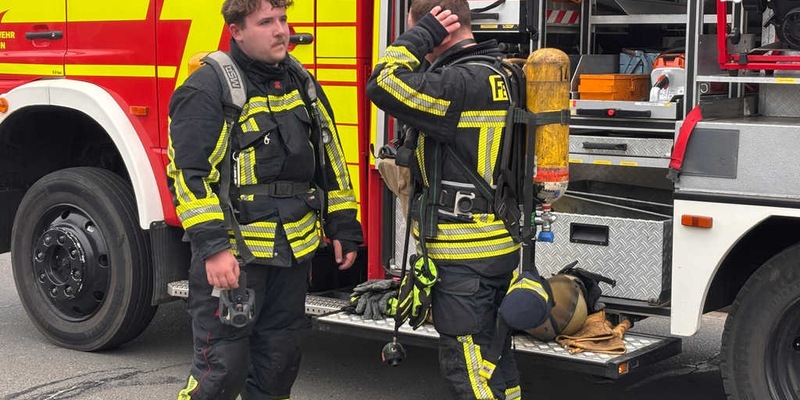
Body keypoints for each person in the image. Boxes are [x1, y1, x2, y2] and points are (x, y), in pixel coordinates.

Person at [167, 0, 363, 398]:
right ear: (236, 30)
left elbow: (331, 160)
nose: (281, 31)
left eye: (284, 19)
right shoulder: (208, 88)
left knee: (278, 367)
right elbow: (188, 175)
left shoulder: (301, 82)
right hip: (236, 260)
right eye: (266, 22)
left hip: (291, 256)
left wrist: (343, 224)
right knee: (221, 372)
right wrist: (213, 248)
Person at [367, 1, 523, 399]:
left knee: (467, 372)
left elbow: (382, 84)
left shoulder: (457, 85)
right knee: (495, 361)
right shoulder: (504, 74)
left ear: (441, 26)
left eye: (419, 31)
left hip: (462, 259)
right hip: (497, 248)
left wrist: (422, 34)